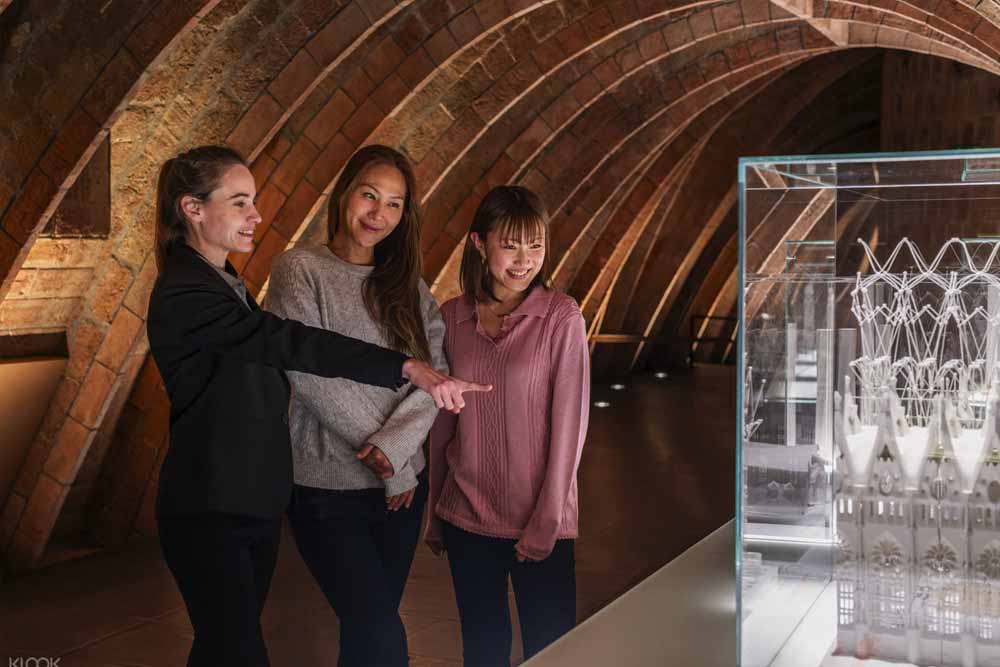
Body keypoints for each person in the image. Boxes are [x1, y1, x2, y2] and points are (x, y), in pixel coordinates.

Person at [146, 145, 488, 667]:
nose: (256, 215)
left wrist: (398, 447)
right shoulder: (188, 291)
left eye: (395, 203)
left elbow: (275, 363)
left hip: (249, 501)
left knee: (229, 646)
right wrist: (403, 369)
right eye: (240, 202)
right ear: (193, 208)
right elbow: (295, 348)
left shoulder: (225, 282)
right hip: (218, 503)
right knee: (247, 647)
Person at [264, 145, 442, 667]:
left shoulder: (409, 286)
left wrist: (399, 457)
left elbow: (435, 378)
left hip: (403, 491)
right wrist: (389, 458)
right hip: (327, 490)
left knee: (367, 630)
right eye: (369, 195)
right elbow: (309, 373)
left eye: (393, 204)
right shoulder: (299, 270)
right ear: (344, 194)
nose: (377, 214)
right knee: (379, 630)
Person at [425, 185, 590, 666]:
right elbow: (441, 426)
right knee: (482, 648)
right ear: (479, 243)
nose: (524, 260)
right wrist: (435, 510)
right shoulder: (452, 317)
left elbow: (570, 427)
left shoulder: (562, 317)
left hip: (540, 524)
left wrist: (548, 519)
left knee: (553, 649)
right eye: (510, 244)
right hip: (466, 517)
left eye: (535, 245)